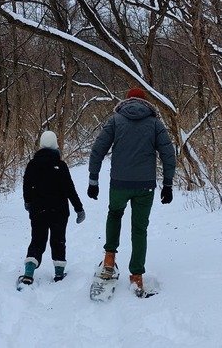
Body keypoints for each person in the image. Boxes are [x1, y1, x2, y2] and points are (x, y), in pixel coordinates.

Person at [87, 87, 176, 296]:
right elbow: (168, 154)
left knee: (115, 214)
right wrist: (168, 185)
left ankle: (109, 259)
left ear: (127, 101)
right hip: (145, 185)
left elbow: (98, 149)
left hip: (119, 183)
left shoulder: (116, 120)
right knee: (139, 229)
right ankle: (136, 276)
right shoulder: (155, 123)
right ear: (145, 102)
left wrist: (93, 180)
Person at [19, 131, 85, 286]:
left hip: (38, 210)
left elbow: (26, 186)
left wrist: (28, 202)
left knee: (37, 240)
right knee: (58, 241)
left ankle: (28, 273)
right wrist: (79, 208)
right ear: (56, 144)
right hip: (59, 211)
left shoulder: (32, 165)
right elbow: (70, 189)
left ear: (41, 145)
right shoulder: (60, 166)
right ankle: (59, 274)